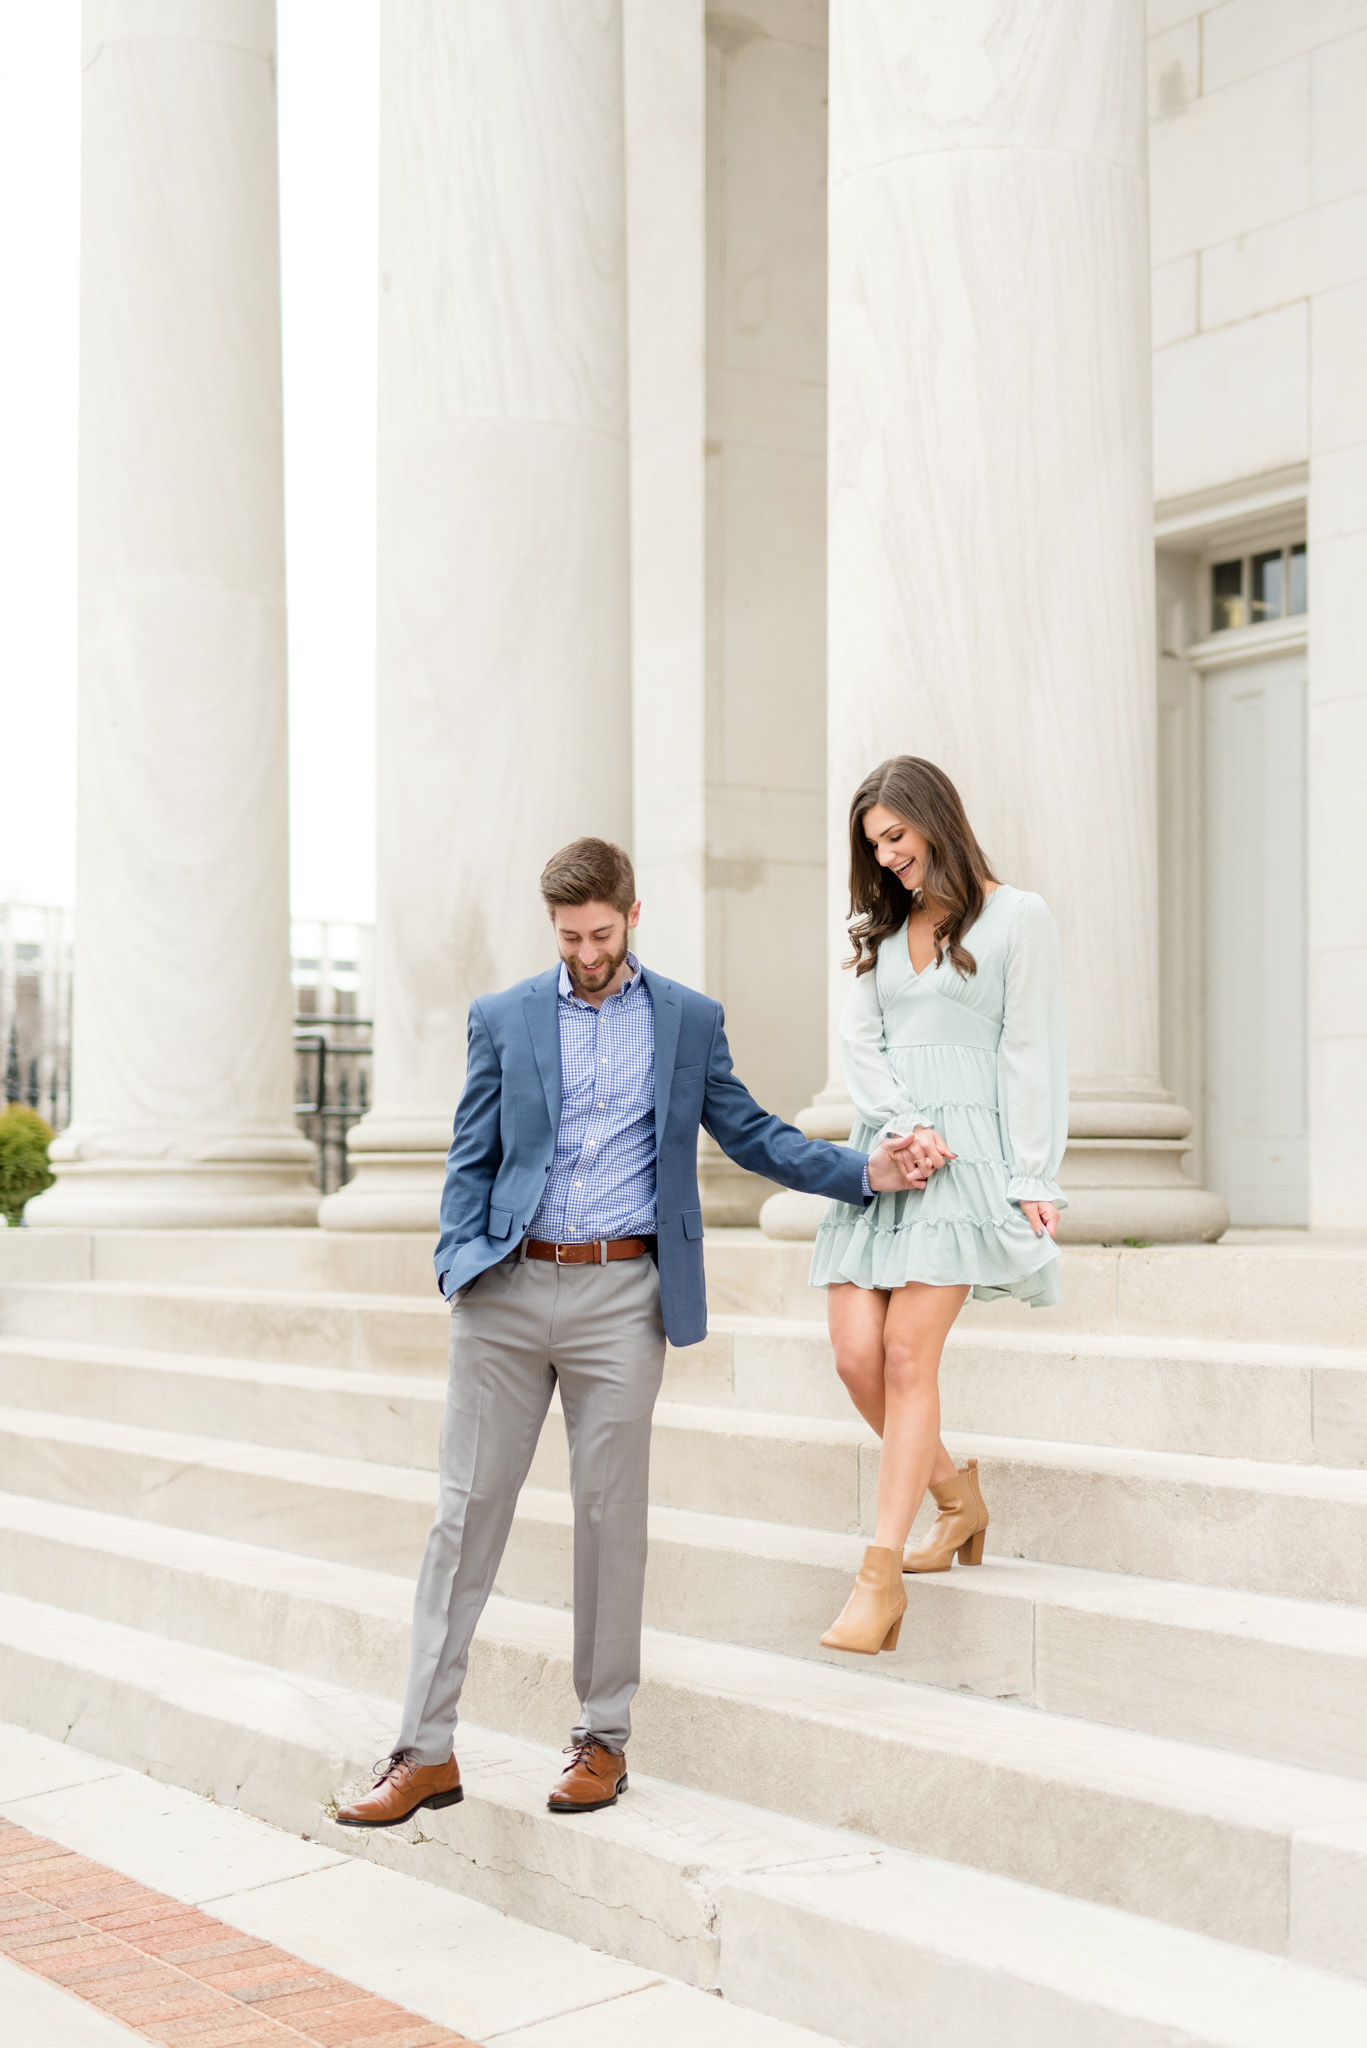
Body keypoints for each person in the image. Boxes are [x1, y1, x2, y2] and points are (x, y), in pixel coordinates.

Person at [336, 835, 920, 1829]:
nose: (584, 950)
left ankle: (601, 1737)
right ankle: (421, 1751)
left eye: (599, 932)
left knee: (610, 1522)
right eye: (568, 935)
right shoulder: (505, 1016)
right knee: (460, 1519)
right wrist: (458, 1263)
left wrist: (863, 1169)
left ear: (631, 916)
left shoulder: (686, 1020)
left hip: (621, 1297)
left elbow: (750, 1131)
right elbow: (469, 1152)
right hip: (506, 1296)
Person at [811, 757, 1068, 1658]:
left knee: (905, 1357)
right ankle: (957, 1500)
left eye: (896, 837)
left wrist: (1033, 1174)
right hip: (885, 1152)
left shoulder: (1016, 917)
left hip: (965, 1161)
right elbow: (860, 1043)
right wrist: (901, 1126)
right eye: (873, 846)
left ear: (934, 821)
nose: (886, 859)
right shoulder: (876, 932)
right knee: (854, 1361)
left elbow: (1032, 1050)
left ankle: (877, 1581)